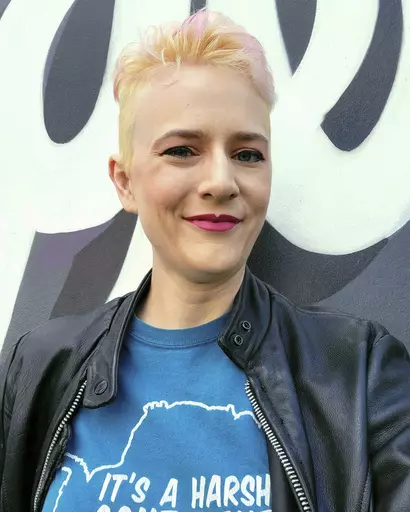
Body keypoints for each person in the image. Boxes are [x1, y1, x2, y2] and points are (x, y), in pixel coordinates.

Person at [0, 10, 409, 512]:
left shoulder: (360, 377)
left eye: (247, 154)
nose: (220, 181)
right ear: (125, 182)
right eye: (182, 150)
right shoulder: (39, 369)